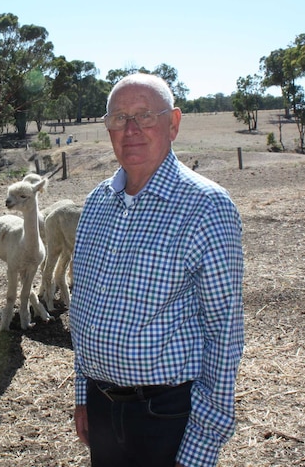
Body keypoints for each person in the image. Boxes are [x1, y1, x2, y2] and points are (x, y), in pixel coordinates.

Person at [70, 73, 244, 467]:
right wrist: (83, 395)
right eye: (118, 118)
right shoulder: (97, 202)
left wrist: (201, 448)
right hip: (101, 406)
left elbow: (225, 333)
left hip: (166, 416)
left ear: (174, 123)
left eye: (145, 116)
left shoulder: (206, 207)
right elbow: (83, 308)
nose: (130, 129)